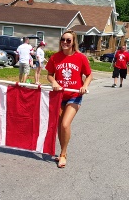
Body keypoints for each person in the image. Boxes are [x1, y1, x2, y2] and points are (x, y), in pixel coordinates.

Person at [46, 30, 92, 168]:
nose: (65, 42)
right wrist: (53, 82)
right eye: (63, 39)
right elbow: (49, 74)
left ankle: (64, 154)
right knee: (60, 126)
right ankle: (61, 153)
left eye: (68, 40)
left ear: (73, 42)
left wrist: (84, 85)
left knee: (65, 124)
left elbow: (89, 75)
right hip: (59, 96)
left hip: (74, 96)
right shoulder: (55, 57)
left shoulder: (80, 58)